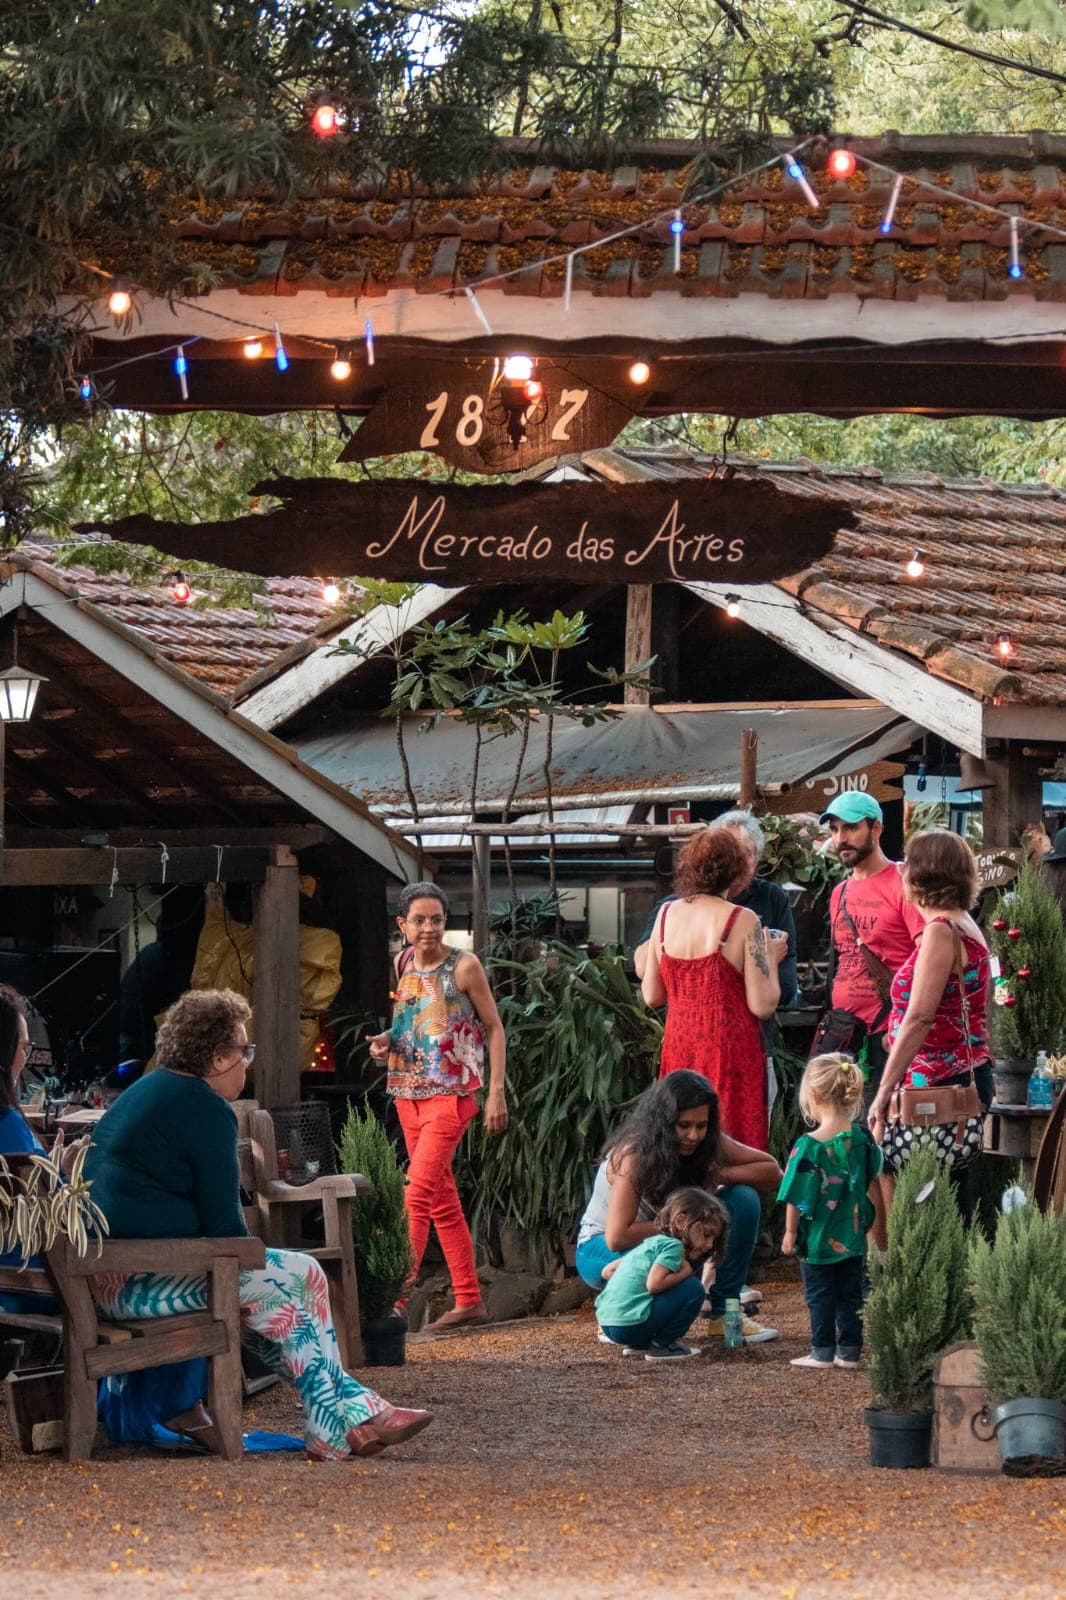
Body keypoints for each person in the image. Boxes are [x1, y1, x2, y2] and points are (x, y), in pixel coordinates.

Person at [84, 988, 433, 1461]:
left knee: (283, 1296)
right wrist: (264, 1262)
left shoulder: (151, 1089)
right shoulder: (204, 1108)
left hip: (109, 1276)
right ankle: (343, 1422)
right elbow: (227, 1229)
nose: (247, 1062)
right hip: (141, 1283)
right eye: (243, 1050)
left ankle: (349, 1416)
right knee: (301, 1276)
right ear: (216, 1056)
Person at [368, 882, 507, 1332]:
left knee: (417, 1194)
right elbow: (408, 1023)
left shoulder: (464, 967)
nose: (429, 928)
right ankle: (469, 1299)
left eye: (438, 920)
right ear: (402, 925)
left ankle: (391, 1303)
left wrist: (497, 1093)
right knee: (443, 1202)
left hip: (450, 1096)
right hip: (407, 1094)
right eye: (420, 920)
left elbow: (494, 1028)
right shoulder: (402, 962)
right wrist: (385, 1043)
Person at [576, 1071, 782, 1344]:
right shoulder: (635, 1155)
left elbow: (773, 1172)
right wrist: (681, 1227)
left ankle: (724, 1312)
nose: (693, 1135)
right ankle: (616, 1312)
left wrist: (719, 1176)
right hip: (602, 1249)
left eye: (701, 1125)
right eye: (683, 1125)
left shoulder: (707, 1143)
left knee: (743, 1198)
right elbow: (617, 1236)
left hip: (667, 1243)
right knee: (679, 1283)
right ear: (664, 1121)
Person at [641, 828, 787, 1150]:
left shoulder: (665, 915)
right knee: (731, 1145)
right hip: (729, 1051)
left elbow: (652, 995)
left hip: (680, 1047)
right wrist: (771, 958)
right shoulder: (743, 919)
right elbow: (763, 1005)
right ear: (736, 872)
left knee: (681, 1141)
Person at [867, 829, 993, 1170]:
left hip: (939, 1080)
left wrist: (883, 1091)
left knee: (927, 1194)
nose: (901, 871)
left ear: (926, 875)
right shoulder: (962, 923)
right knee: (942, 1192)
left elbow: (920, 1017)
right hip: (954, 1073)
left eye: (909, 864)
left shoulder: (941, 931)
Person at [778, 1052, 883, 1369]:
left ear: (813, 1094)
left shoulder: (808, 1146)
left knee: (820, 1295)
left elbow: (795, 1195)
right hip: (852, 1235)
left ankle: (822, 1350)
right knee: (850, 1294)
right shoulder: (861, 1137)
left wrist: (790, 1233)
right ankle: (849, 1350)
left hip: (818, 1240)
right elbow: (874, 1169)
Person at [821, 792, 925, 1107]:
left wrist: (898, 1032)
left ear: (876, 829)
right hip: (843, 1036)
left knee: (882, 1133)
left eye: (851, 827)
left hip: (886, 1036)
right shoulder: (839, 892)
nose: (841, 838)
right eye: (835, 829)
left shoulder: (904, 881)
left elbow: (928, 958)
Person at [595, 1187, 729, 1362]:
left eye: (714, 1239)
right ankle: (663, 1346)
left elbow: (608, 1271)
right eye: (706, 1234)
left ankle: (639, 1344)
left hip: (608, 1324)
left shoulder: (650, 1244)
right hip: (629, 1326)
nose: (710, 1245)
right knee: (693, 1289)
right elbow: (654, 1284)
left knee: (671, 1289)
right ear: (681, 1222)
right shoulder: (674, 1247)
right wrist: (687, 1271)